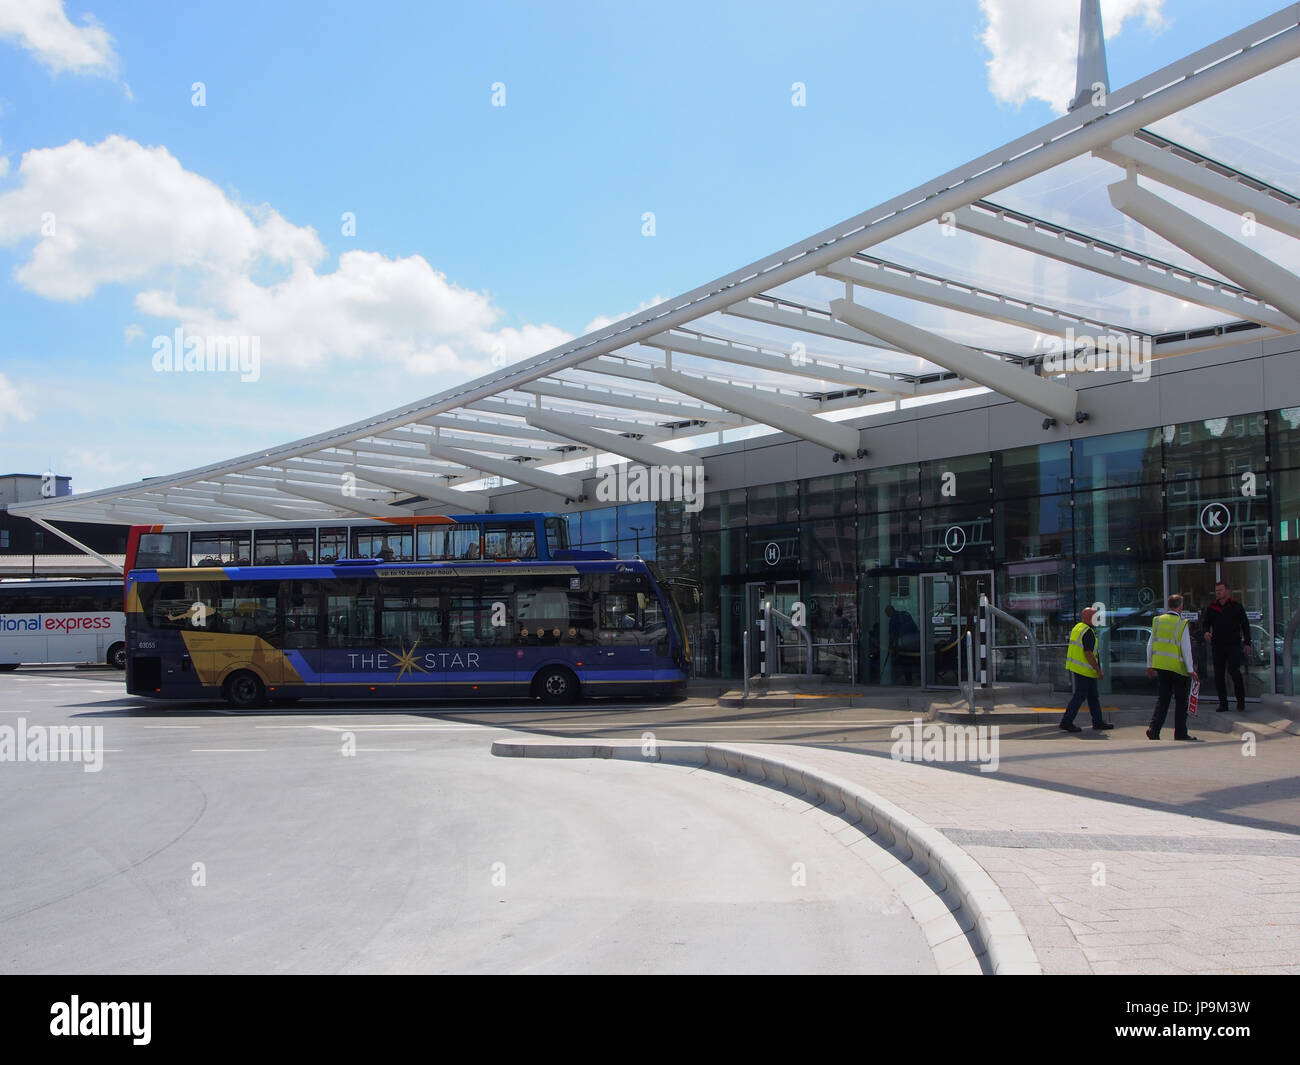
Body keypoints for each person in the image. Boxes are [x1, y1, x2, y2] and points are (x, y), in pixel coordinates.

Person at [1146, 594, 1200, 741]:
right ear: (1180, 607)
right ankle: (1180, 733)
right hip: (1178, 668)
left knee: (1163, 700)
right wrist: (1190, 669)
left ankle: (1154, 729)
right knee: (1181, 702)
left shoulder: (1157, 621)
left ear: (1169, 606)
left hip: (1161, 667)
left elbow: (1150, 644)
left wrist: (1149, 665)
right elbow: (1186, 648)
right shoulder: (1182, 623)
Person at [1060, 606, 1113, 732]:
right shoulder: (1088, 632)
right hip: (1085, 670)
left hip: (1079, 668)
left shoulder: (1077, 628)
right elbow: (1088, 653)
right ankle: (1066, 721)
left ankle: (1098, 721)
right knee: (1080, 697)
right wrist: (1098, 670)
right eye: (1095, 616)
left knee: (1093, 696)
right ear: (1090, 618)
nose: (1097, 618)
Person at [1201, 581, 1250, 712]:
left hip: (1233, 645)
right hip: (1218, 645)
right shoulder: (1212, 607)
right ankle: (1223, 704)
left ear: (1227, 591)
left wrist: (1247, 642)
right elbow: (1205, 623)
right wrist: (1206, 631)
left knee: (1234, 672)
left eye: (1221, 590)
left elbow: (1245, 625)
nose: (1218, 593)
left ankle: (1241, 702)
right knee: (1218, 675)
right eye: (1217, 591)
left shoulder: (1236, 606)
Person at [885, 604, 919, 685]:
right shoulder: (905, 613)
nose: (887, 615)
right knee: (912, 659)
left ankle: (908, 679)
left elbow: (893, 635)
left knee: (904, 661)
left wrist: (890, 646)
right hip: (916, 639)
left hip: (905, 641)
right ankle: (914, 676)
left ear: (890, 611)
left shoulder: (893, 619)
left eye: (886, 613)